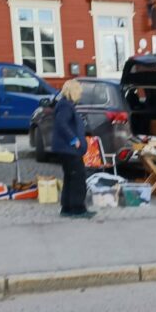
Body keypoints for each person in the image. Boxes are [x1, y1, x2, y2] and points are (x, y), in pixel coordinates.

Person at [52, 80, 95, 219]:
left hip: (66, 149)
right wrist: (74, 140)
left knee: (70, 177)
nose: (81, 94)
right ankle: (78, 209)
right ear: (74, 91)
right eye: (79, 91)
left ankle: (67, 207)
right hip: (69, 149)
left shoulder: (66, 104)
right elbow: (61, 123)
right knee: (78, 177)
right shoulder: (65, 106)